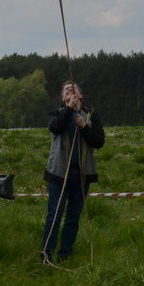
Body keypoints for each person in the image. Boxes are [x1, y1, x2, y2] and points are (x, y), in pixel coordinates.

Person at [41, 80, 105, 264]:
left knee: (73, 217)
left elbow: (99, 142)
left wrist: (84, 126)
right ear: (63, 97)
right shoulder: (56, 113)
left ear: (80, 95)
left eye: (74, 89)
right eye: (66, 90)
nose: (70, 91)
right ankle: (46, 255)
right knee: (54, 216)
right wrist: (69, 109)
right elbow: (55, 127)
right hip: (59, 174)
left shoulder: (91, 115)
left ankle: (65, 255)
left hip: (82, 175)